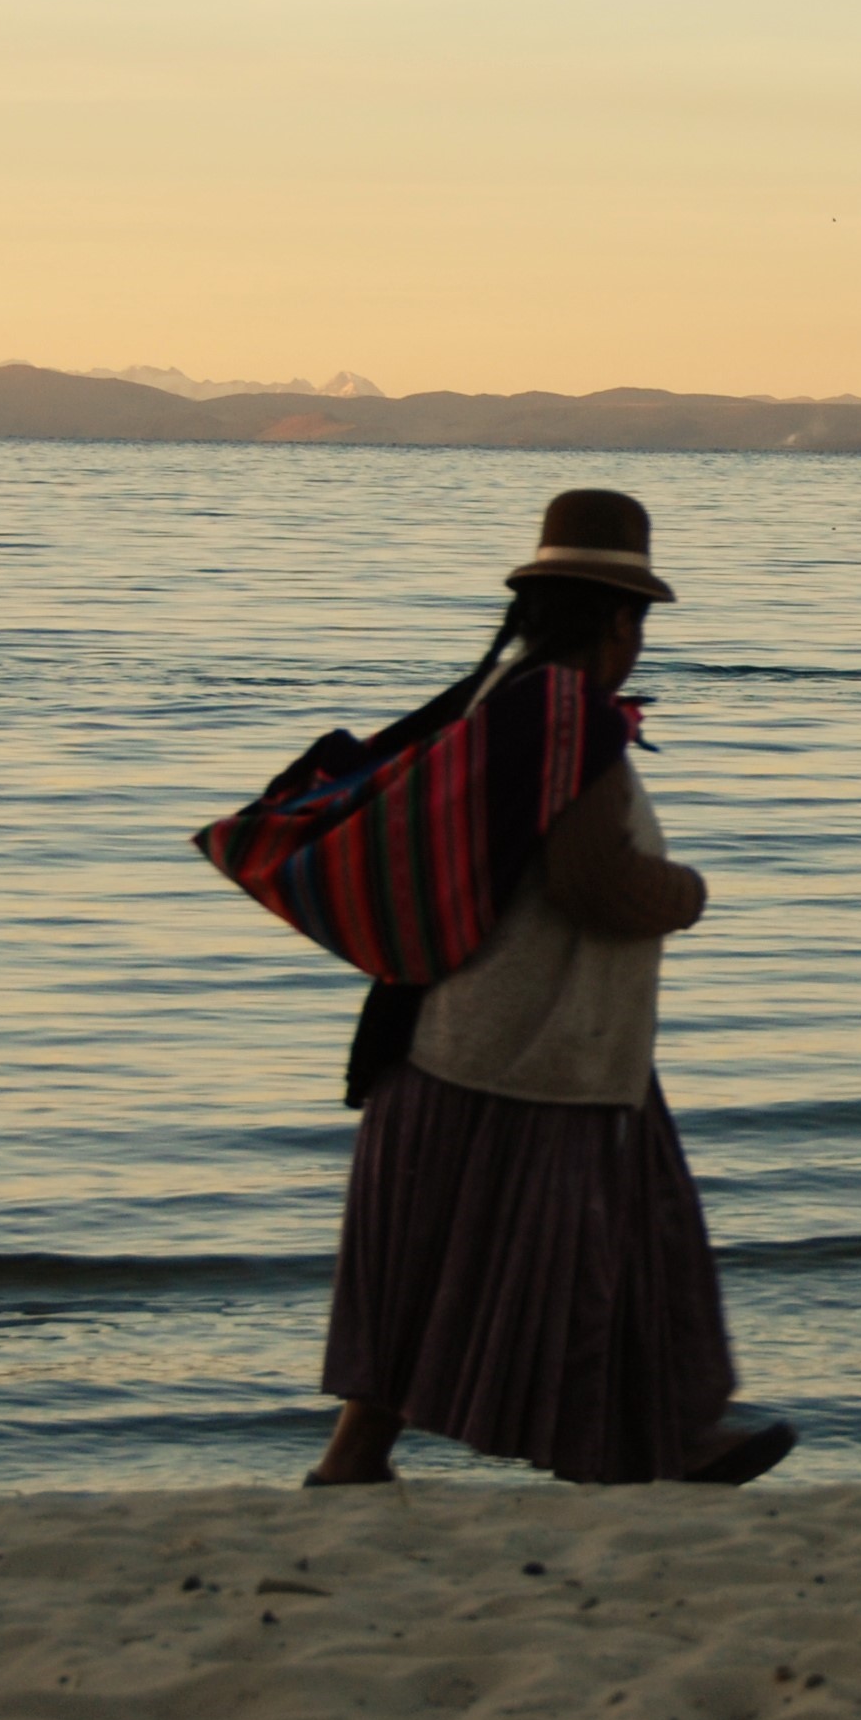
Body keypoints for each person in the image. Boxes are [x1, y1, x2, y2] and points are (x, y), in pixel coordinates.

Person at [306, 488, 795, 1490]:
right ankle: (645, 1447)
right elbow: (591, 884)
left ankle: (362, 1459)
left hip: (461, 1041)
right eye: (639, 623)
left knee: (436, 1267)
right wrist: (687, 892)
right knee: (606, 1258)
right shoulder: (571, 724)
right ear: (621, 620)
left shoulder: (502, 705)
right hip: (536, 1054)